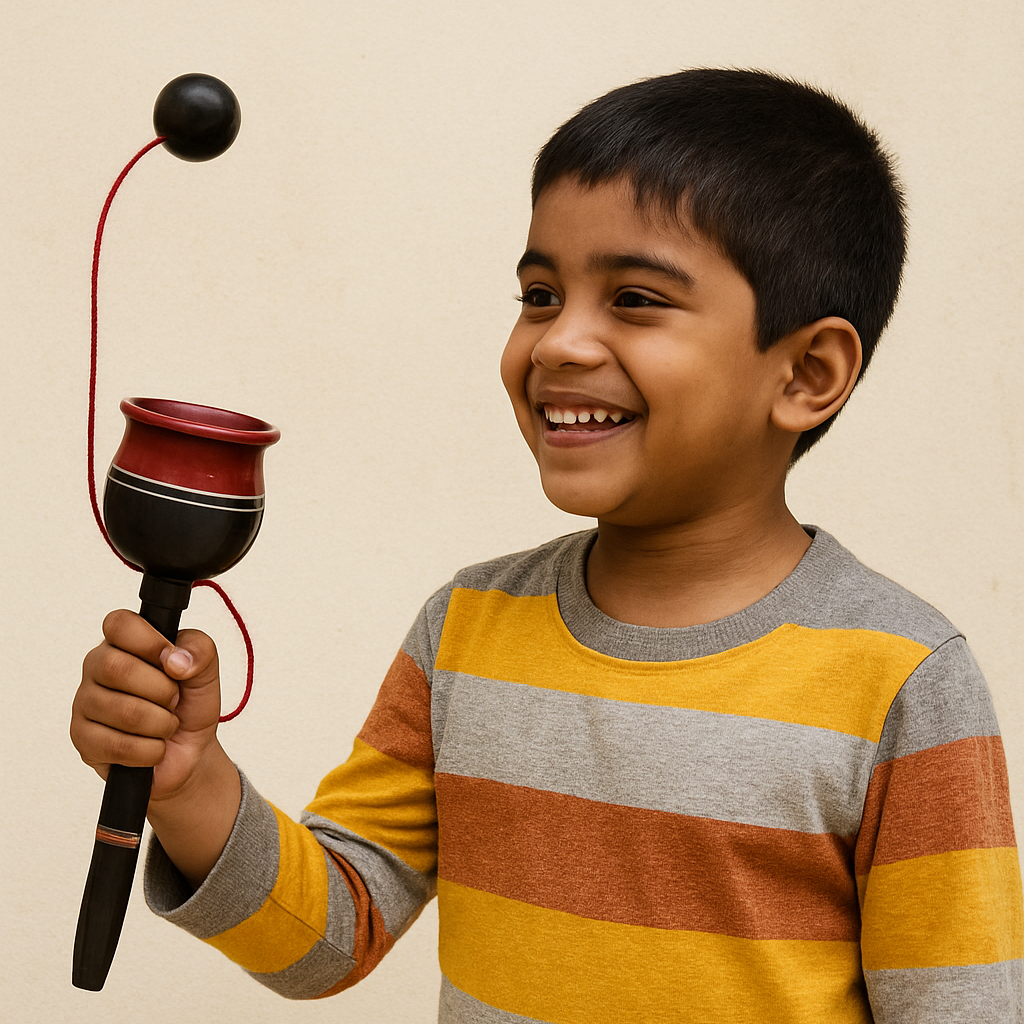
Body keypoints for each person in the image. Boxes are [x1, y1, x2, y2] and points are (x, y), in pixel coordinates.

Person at [71, 68, 1023, 1022]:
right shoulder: (465, 629)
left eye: (637, 299)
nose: (560, 341)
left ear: (807, 373)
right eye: (538, 293)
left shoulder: (903, 678)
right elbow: (331, 936)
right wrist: (191, 784)